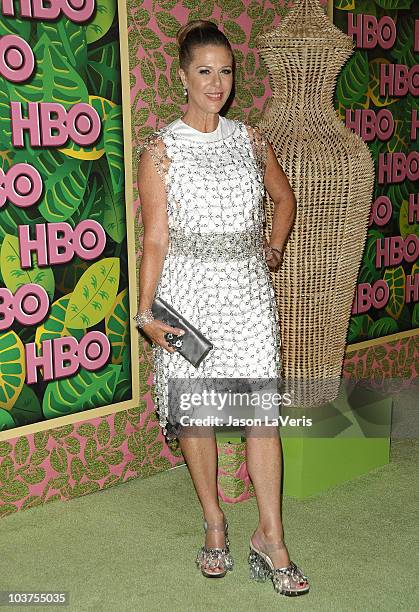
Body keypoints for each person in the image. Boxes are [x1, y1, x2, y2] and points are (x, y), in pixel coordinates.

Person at [135, 19, 310, 597]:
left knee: (262, 417)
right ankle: (215, 521)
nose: (217, 83)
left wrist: (275, 246)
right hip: (185, 296)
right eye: (204, 71)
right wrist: (145, 312)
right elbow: (155, 237)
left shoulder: (250, 140)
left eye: (225, 71)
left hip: (248, 298)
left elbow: (282, 201)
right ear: (182, 76)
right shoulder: (161, 150)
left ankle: (271, 538)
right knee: (200, 415)